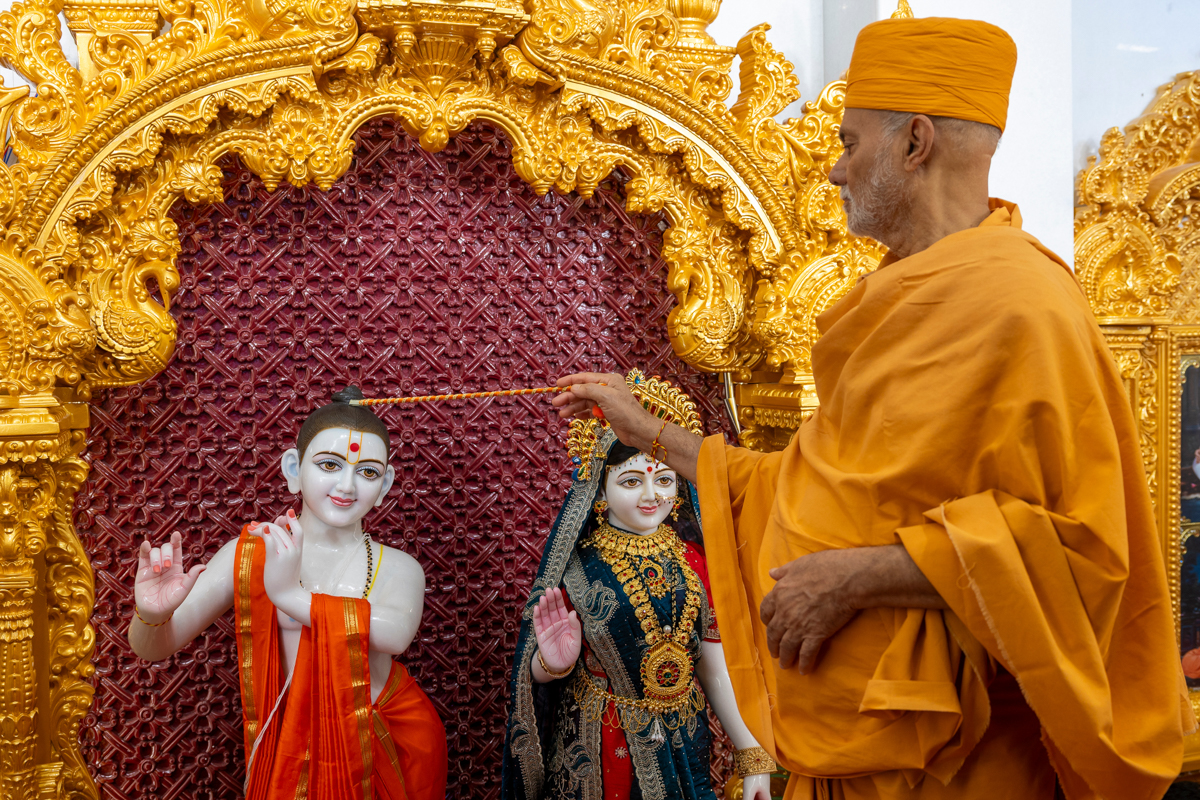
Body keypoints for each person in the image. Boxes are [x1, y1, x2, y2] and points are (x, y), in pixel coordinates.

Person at [551, 16, 1190, 800]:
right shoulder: (891, 299)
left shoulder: (1022, 306)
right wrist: (649, 433)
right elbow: (821, 491)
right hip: (843, 751)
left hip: (964, 757)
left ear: (915, 141)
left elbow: (1078, 554)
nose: (834, 173)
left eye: (850, 145)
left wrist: (860, 579)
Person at [129, 387, 447, 799]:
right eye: (330, 464)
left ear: (385, 484)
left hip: (380, 744)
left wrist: (288, 594)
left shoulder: (399, 567)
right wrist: (152, 613)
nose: (347, 486)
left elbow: (395, 635)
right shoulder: (253, 554)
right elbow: (154, 648)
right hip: (288, 745)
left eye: (367, 472)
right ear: (294, 469)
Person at [502, 372, 775, 800]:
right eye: (632, 481)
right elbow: (531, 673)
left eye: (664, 480)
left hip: (682, 742)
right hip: (597, 745)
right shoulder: (577, 567)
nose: (652, 496)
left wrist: (751, 751)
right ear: (600, 489)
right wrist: (553, 665)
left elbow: (714, 663)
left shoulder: (695, 561)